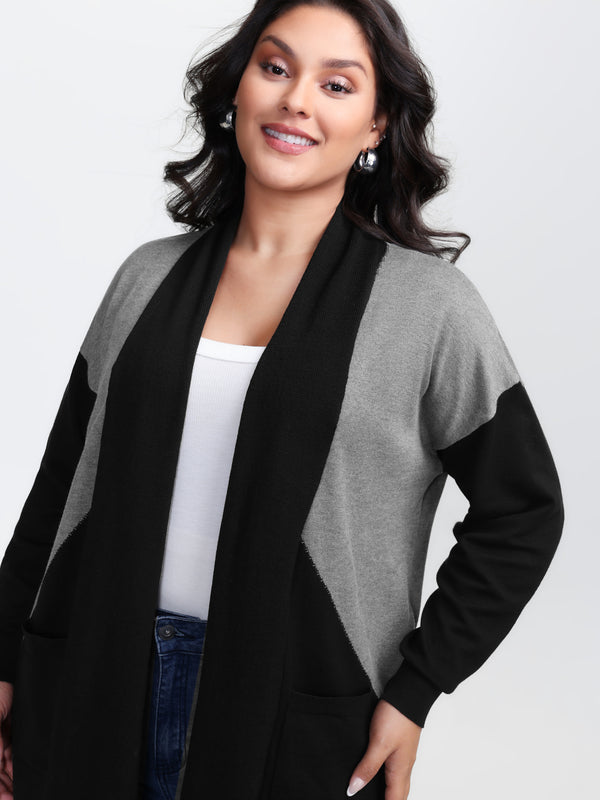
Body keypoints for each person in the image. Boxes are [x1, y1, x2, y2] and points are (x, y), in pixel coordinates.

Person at [0, 1, 564, 799]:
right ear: (239, 89)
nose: (296, 99)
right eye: (275, 67)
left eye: (337, 85)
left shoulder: (429, 310)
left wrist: (417, 689)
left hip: (297, 714)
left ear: (375, 126)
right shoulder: (145, 278)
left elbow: (523, 510)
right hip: (90, 682)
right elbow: (60, 487)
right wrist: (4, 658)